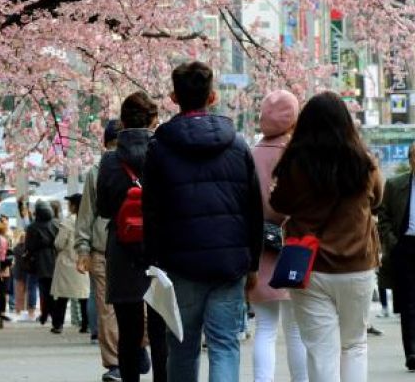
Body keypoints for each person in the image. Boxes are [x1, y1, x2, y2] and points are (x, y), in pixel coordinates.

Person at [142, 61, 263, 382]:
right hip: (229, 262)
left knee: (182, 344)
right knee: (224, 344)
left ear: (173, 97)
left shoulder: (159, 149)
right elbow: (253, 209)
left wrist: (152, 262)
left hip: (179, 263)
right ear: (212, 97)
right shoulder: (237, 146)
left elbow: (151, 211)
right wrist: (252, 263)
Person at [271, 92, 382, 382]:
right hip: (357, 264)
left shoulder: (295, 164)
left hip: (310, 265)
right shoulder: (364, 163)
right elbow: (377, 198)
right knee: (354, 344)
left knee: (321, 350)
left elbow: (279, 203)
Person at [96, 92, 166, 382]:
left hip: (123, 249)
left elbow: (103, 208)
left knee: (129, 332)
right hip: (160, 246)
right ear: (154, 120)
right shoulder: (163, 153)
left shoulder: (110, 161)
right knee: (161, 329)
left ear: (122, 123)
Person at [249, 91, 308, 382]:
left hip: (260, 247)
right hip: (295, 246)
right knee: (296, 329)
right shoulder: (298, 153)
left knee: (265, 328)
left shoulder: (251, 153)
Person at [77, 119, 122, 381]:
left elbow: (86, 215)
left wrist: (83, 249)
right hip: (112, 248)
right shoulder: (98, 171)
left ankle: (115, 362)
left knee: (108, 309)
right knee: (128, 305)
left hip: (102, 247)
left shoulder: (97, 170)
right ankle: (121, 358)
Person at [378, 143, 415, 370]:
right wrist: (394, 243)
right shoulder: (395, 184)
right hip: (406, 247)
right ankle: (411, 352)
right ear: (411, 160)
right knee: (409, 304)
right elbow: (383, 217)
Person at [51, 193, 90, 334]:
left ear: (73, 206)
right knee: (84, 296)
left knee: (62, 296)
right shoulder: (87, 220)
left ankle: (58, 324)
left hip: (67, 262)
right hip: (83, 261)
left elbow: (59, 243)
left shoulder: (67, 222)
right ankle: (86, 324)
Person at [26, 200, 57, 327]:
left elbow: (29, 246)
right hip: (54, 259)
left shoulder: (33, 227)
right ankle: (53, 313)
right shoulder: (56, 225)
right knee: (54, 290)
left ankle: (44, 314)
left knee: (43, 290)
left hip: (39, 261)